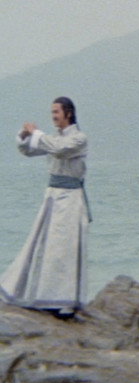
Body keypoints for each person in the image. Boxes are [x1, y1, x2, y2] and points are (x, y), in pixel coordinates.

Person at [0, 97, 89, 317]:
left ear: (68, 113)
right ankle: (43, 295)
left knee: (66, 248)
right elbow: (28, 151)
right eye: (52, 112)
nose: (53, 116)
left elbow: (59, 149)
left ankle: (66, 300)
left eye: (56, 112)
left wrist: (37, 134)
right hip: (53, 197)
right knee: (45, 246)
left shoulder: (79, 138)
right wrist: (25, 136)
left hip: (70, 199)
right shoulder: (53, 138)